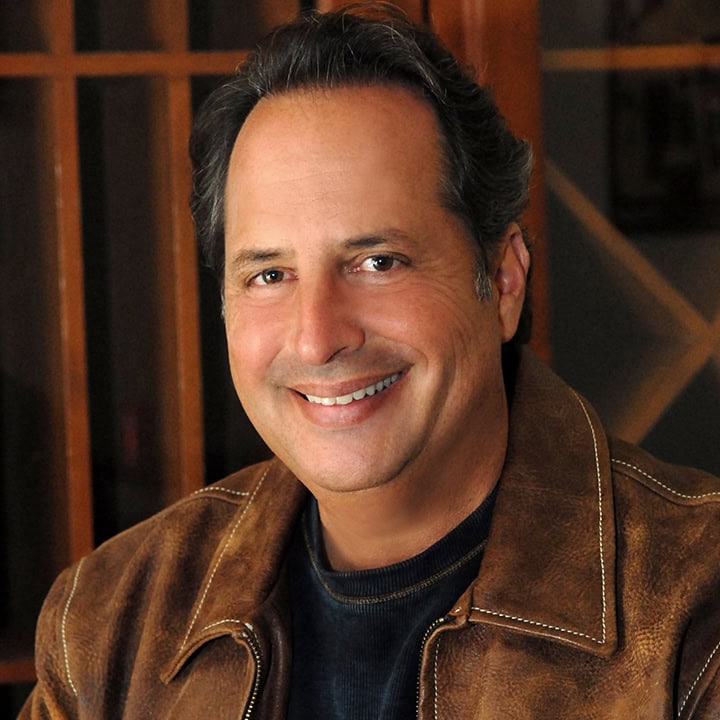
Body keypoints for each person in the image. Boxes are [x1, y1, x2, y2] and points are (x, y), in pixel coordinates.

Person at [20, 4, 720, 719]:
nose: (317, 338)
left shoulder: (696, 607)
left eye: (378, 262)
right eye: (269, 275)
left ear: (503, 280)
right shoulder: (111, 622)